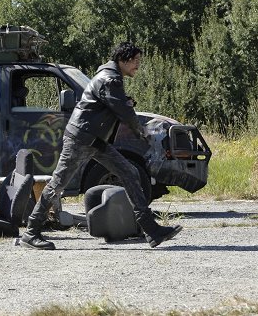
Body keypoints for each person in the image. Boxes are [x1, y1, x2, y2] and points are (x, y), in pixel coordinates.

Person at [20, 42, 182, 250]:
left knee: (130, 172)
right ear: (123, 60)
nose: (138, 66)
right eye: (135, 61)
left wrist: (126, 104)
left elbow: (114, 106)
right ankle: (31, 232)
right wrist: (142, 132)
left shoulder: (110, 77)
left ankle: (151, 230)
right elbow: (123, 112)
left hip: (93, 138)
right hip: (81, 138)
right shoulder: (110, 79)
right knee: (58, 184)